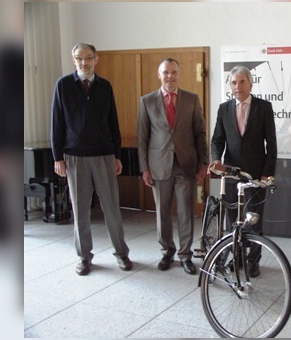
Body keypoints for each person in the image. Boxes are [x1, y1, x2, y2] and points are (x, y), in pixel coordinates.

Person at [51, 43, 132, 276]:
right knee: (80, 211)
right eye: (79, 58)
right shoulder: (63, 85)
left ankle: (122, 253)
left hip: (104, 156)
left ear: (96, 59)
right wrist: (58, 157)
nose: (84, 63)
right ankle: (84, 257)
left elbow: (112, 123)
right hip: (75, 157)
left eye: (88, 58)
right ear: (73, 60)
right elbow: (56, 123)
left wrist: (117, 154)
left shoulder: (105, 86)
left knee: (112, 209)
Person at [137, 58, 208, 275]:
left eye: (174, 72)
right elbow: (142, 137)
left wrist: (203, 163)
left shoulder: (192, 99)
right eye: (166, 72)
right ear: (159, 75)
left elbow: (200, 133)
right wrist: (144, 168)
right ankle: (167, 251)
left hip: (186, 164)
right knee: (163, 212)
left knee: (186, 212)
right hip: (159, 166)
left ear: (179, 74)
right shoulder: (147, 101)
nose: (170, 76)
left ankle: (185, 255)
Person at [210, 65, 277, 278]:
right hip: (231, 176)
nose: (237, 86)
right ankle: (237, 258)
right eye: (233, 82)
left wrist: (267, 174)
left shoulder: (263, 107)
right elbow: (217, 140)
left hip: (255, 175)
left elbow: (272, 144)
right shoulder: (224, 108)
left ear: (250, 83)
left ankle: (253, 261)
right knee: (233, 221)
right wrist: (215, 159)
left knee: (253, 220)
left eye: (241, 82)